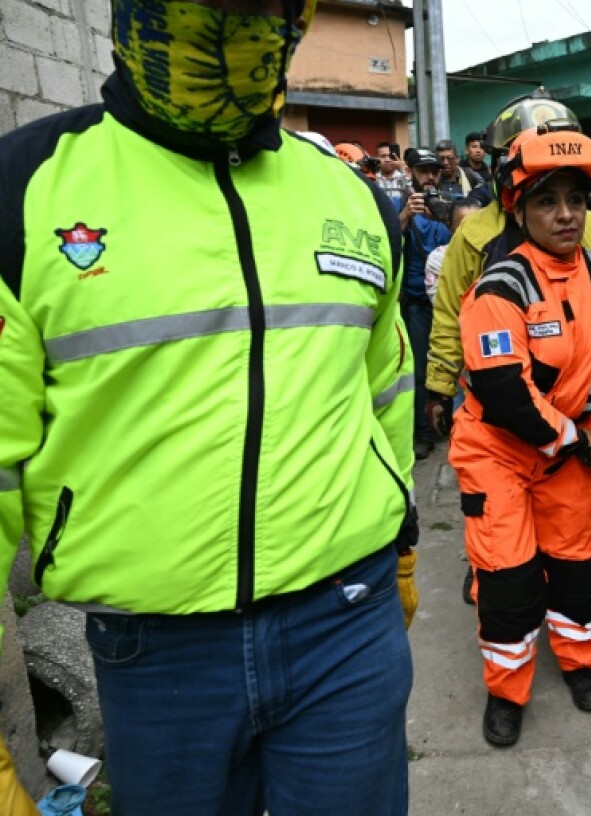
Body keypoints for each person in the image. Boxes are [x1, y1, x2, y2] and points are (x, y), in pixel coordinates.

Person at [0, 1, 418, 813]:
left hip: (349, 625)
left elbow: (385, 396)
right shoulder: (24, 191)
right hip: (156, 656)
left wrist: (401, 547)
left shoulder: (354, 198)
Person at [449, 123, 591, 748]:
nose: (565, 215)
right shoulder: (499, 288)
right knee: (507, 578)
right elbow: (506, 395)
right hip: (500, 453)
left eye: (576, 201)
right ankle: (506, 692)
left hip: (569, 450)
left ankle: (583, 662)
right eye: (546, 201)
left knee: (579, 565)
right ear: (518, 207)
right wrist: (577, 440)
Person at [423, 90, 591, 438]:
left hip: (575, 409)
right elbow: (449, 313)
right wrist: (440, 385)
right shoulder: (475, 233)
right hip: (499, 409)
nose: (564, 215)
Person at [402, 148, 453, 460]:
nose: (430, 177)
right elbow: (387, 237)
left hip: (450, 302)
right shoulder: (401, 205)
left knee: (451, 364)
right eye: (423, 171)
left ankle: (451, 422)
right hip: (418, 304)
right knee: (420, 371)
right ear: (412, 173)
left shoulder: (451, 203)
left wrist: (446, 214)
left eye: (434, 170)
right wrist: (407, 215)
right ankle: (423, 432)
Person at [375, 140, 411, 213]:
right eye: (383, 156)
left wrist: (404, 170)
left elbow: (413, 193)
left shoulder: (404, 178)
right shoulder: (373, 179)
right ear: (376, 158)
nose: (387, 160)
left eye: (390, 156)